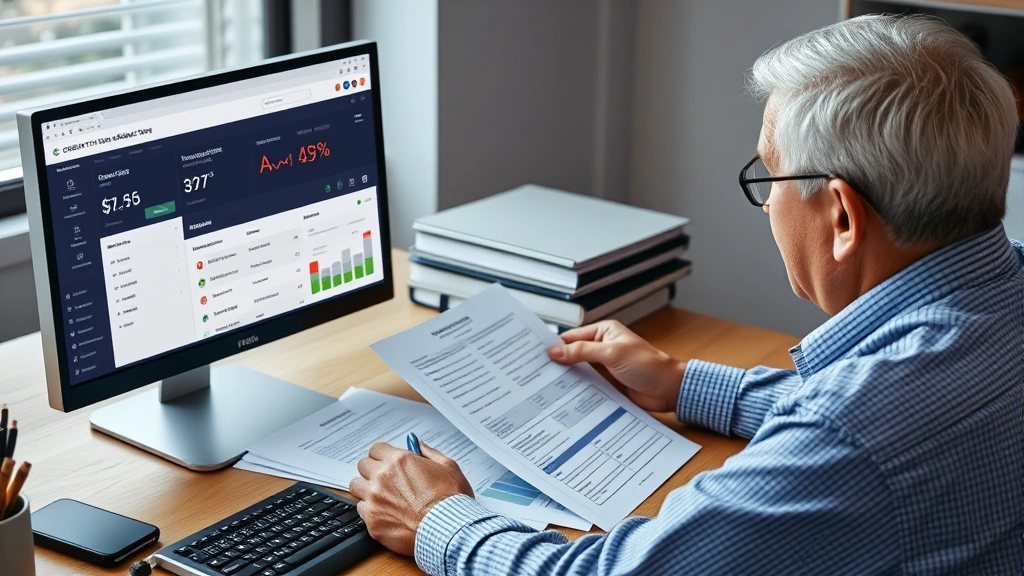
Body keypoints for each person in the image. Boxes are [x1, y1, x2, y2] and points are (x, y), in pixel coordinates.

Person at [348, 14, 1023, 575]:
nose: (766, 206)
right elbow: (901, 408)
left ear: (842, 218)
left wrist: (438, 519)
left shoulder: (850, 436)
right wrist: (685, 384)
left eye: (773, 175)